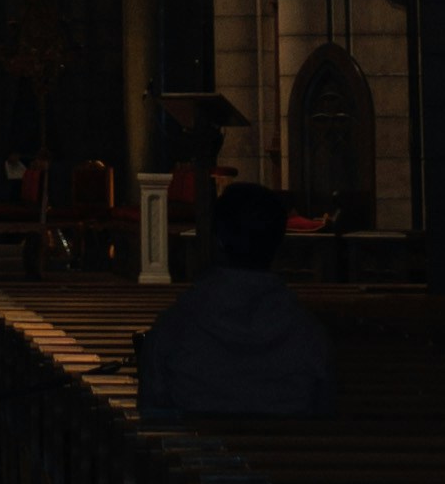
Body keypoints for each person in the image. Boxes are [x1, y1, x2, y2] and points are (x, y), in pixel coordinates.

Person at [134, 178, 337, 420]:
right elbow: (325, 411)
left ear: (218, 240)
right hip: (284, 445)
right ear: (278, 243)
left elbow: (153, 409)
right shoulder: (309, 333)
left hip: (195, 444)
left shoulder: (176, 326)